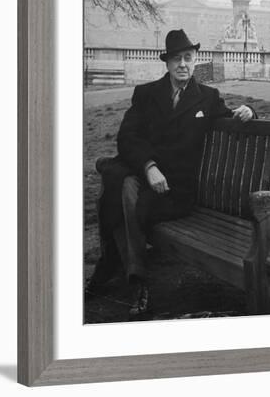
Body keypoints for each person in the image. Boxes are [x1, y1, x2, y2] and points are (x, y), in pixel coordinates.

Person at [86, 29, 257, 318]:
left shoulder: (207, 98)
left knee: (122, 194)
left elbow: (231, 117)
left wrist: (249, 111)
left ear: (195, 60)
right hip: (146, 178)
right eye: (176, 59)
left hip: (176, 193)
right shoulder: (146, 94)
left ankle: (123, 271)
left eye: (188, 58)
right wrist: (149, 167)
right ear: (167, 63)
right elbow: (127, 137)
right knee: (126, 187)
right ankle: (137, 279)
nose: (183, 65)